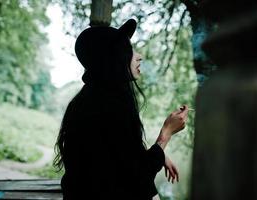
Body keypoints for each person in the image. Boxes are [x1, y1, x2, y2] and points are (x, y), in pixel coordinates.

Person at [53, 18, 188, 200]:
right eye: (129, 50)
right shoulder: (112, 106)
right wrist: (166, 134)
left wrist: (158, 154)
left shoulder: (86, 101)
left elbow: (116, 161)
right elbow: (136, 177)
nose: (139, 56)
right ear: (113, 58)